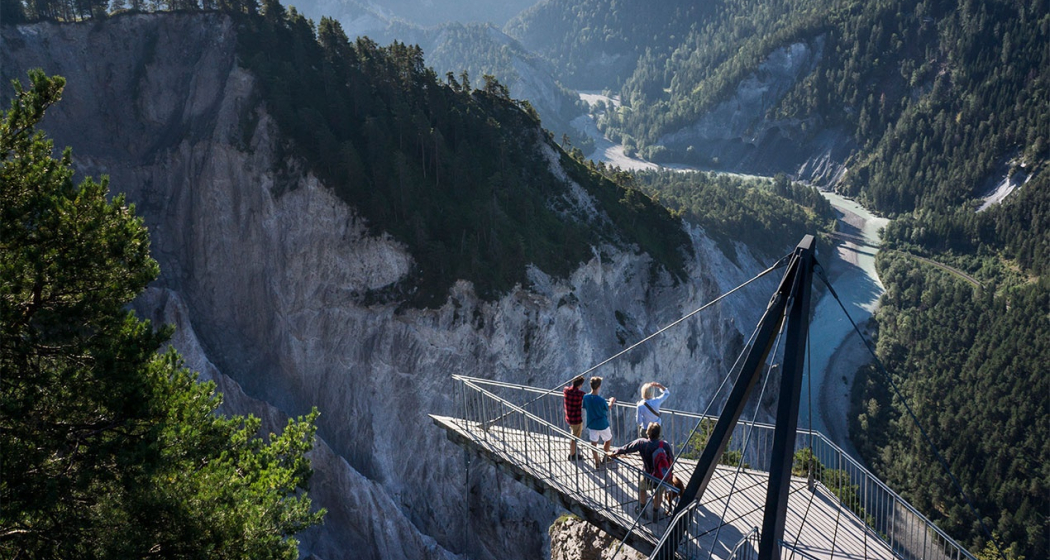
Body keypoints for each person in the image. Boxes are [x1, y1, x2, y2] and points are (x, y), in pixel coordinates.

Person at [610, 422, 676, 520]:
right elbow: (671, 459)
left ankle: (642, 510)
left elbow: (627, 448)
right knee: (659, 493)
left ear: (648, 432)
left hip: (647, 475)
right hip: (661, 476)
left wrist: (614, 452)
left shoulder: (642, 443)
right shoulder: (665, 445)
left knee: (642, 489)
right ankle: (655, 514)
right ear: (659, 433)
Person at [582, 376, 616, 469]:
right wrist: (611, 401)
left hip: (592, 424)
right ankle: (605, 457)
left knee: (594, 444)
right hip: (602, 424)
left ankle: (596, 462)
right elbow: (608, 407)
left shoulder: (586, 397)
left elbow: (585, 407)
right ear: (599, 386)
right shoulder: (601, 400)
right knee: (608, 439)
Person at [563, 375, 586, 461]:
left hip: (569, 417)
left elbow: (566, 388)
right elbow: (587, 396)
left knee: (573, 434)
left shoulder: (566, 390)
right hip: (576, 419)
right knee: (575, 437)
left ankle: (573, 451)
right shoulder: (580, 394)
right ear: (580, 385)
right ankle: (572, 455)